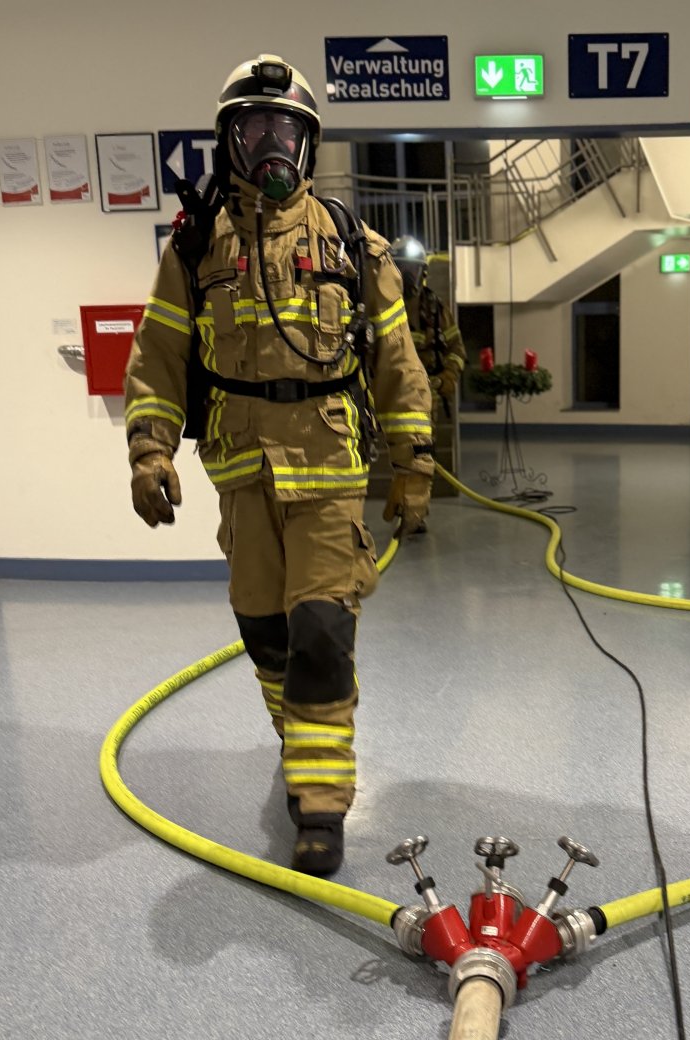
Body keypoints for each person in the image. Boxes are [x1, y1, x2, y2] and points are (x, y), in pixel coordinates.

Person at [123, 54, 433, 877]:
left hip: (329, 472)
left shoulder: (353, 245)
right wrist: (150, 449)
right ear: (229, 140)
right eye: (254, 128)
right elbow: (158, 358)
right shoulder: (195, 249)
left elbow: (398, 361)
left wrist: (414, 464)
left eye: (284, 130)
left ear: (307, 143)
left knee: (322, 632)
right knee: (265, 632)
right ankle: (298, 740)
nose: (271, 145)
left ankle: (319, 802)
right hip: (242, 475)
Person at [388, 236, 467, 421]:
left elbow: (456, 350)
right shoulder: (379, 306)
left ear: (423, 272)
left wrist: (445, 377)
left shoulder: (435, 309)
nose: (407, 274)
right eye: (401, 267)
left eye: (412, 268)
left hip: (427, 401)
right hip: (388, 398)